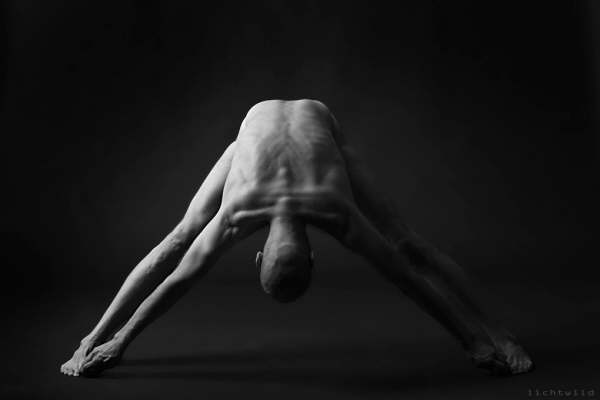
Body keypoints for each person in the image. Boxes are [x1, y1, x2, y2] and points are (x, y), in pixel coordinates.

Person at [60, 99, 534, 377]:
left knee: (179, 241)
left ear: (258, 254)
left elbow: (179, 281)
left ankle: (498, 336)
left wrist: (119, 341)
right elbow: (405, 280)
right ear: (313, 256)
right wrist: (471, 342)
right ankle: (495, 336)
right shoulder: (337, 215)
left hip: (297, 124)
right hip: (278, 130)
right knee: (407, 245)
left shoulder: (243, 216)